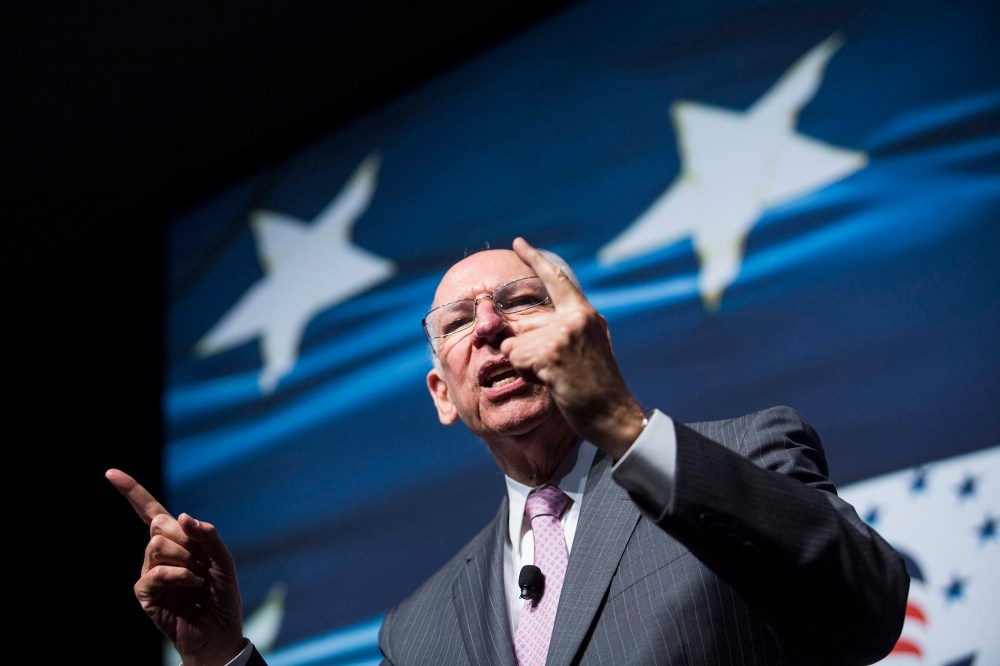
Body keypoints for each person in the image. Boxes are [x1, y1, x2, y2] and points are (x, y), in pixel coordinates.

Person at [108, 236, 909, 665]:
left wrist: (623, 424)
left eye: (521, 302)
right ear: (442, 397)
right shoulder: (420, 632)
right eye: (458, 322)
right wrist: (220, 659)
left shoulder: (745, 452)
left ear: (585, 333)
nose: (488, 326)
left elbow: (865, 611)